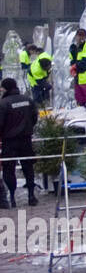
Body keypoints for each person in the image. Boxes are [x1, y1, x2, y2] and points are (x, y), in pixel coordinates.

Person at [0, 78, 38, 207]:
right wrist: (28, 129)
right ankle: (31, 196)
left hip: (9, 141)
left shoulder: (3, 103)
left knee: (9, 169)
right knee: (28, 167)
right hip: (26, 139)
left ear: (5, 88)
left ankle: (12, 197)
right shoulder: (28, 100)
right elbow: (34, 117)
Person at [69, 28, 86, 107]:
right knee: (80, 100)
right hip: (78, 78)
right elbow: (72, 60)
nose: (81, 37)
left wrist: (75, 67)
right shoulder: (74, 48)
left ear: (85, 37)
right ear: (76, 36)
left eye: (83, 35)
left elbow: (85, 62)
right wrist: (73, 67)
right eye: (79, 35)